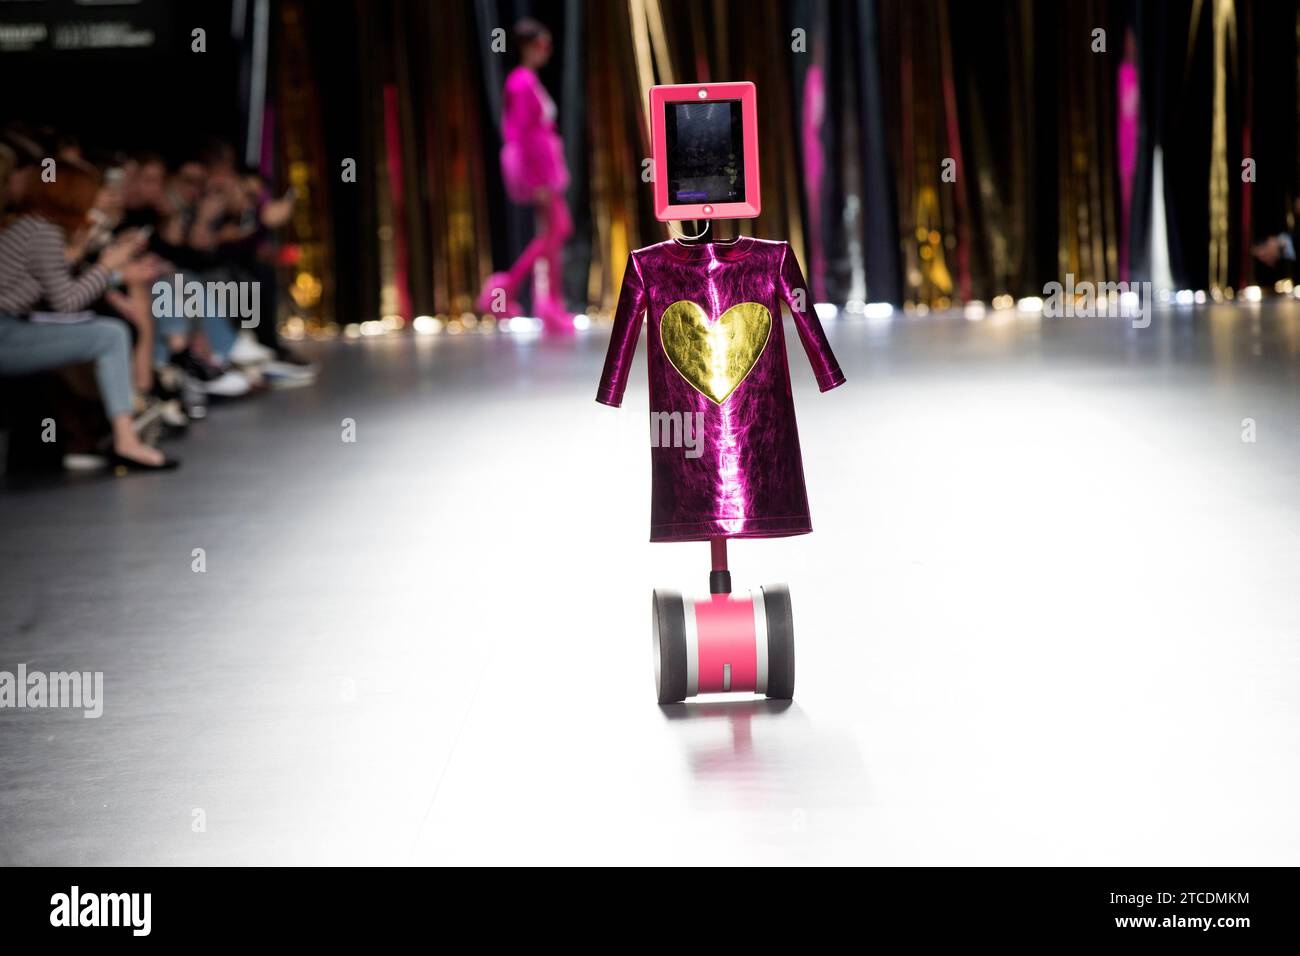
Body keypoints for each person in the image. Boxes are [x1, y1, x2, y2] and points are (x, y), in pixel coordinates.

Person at [0, 158, 178, 471]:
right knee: (108, 334)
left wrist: (103, 266)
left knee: (105, 330)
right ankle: (126, 439)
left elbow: (53, 289)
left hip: (11, 328)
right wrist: (107, 265)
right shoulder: (42, 232)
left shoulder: (33, 226)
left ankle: (120, 431)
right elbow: (66, 302)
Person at [477, 17, 573, 332]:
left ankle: (535, 299)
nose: (547, 51)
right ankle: (519, 295)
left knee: (554, 233)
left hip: (547, 169)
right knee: (554, 232)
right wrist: (537, 179)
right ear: (529, 47)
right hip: (540, 172)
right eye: (542, 45)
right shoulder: (520, 82)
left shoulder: (528, 80)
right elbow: (520, 135)